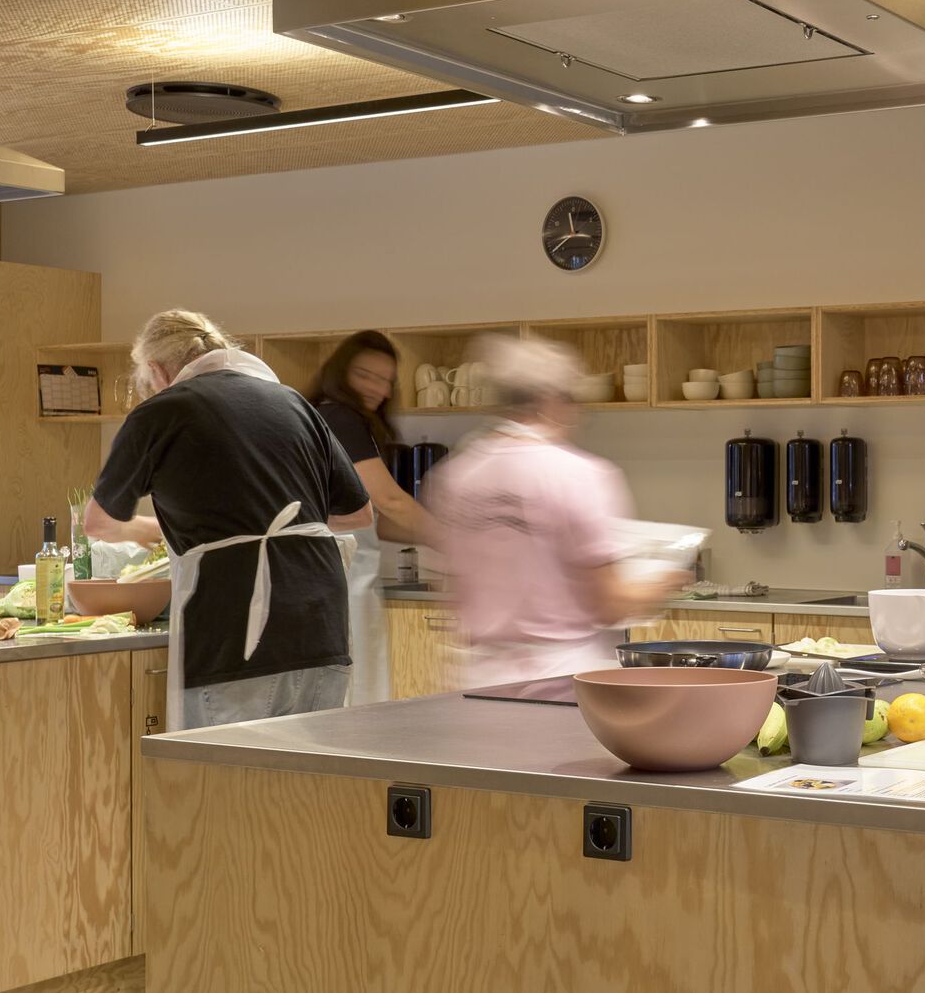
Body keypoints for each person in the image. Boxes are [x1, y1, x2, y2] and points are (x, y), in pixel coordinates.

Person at [84, 309, 372, 731]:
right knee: (306, 789)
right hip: (321, 628)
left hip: (236, 631)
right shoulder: (295, 404)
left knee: (232, 785)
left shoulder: (162, 412)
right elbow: (358, 513)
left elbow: (100, 523)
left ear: (156, 370)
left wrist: (155, 530)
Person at [426, 334, 685, 701]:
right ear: (550, 401)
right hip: (559, 682)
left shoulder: (457, 476)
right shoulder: (576, 474)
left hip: (480, 678)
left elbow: (450, 585)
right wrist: (664, 580)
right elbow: (608, 604)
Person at [309, 331, 437, 704]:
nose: (377, 389)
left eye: (386, 381)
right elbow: (390, 501)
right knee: (354, 700)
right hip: (340, 582)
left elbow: (371, 518)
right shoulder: (341, 417)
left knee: (352, 698)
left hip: (336, 582)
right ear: (340, 372)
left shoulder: (322, 415)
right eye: (366, 375)